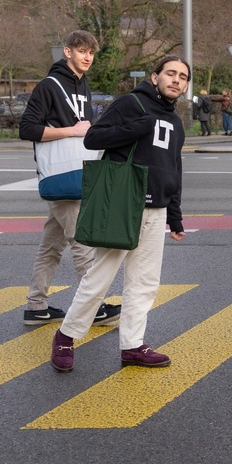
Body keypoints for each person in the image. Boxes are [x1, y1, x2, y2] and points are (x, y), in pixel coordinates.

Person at [50, 56, 189, 371]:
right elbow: (93, 138)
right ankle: (66, 336)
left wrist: (175, 215)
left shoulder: (176, 121)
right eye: (170, 73)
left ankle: (133, 345)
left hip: (157, 209)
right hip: (125, 203)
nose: (176, 80)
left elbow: (174, 168)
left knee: (145, 282)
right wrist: (137, 128)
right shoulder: (131, 104)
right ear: (155, 77)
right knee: (100, 277)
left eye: (183, 76)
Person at [18, 30, 121, 327]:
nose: (87, 57)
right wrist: (71, 131)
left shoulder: (83, 85)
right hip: (64, 176)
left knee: (51, 246)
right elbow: (27, 129)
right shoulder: (49, 86)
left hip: (78, 172)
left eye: (91, 52)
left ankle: (36, 306)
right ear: (67, 52)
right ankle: (93, 307)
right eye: (82, 51)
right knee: (83, 243)